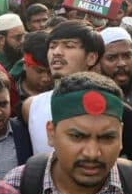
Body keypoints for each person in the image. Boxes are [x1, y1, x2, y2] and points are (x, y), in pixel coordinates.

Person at [23, 20, 103, 153]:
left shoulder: (108, 104)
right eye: (52, 46)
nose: (57, 52)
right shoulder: (31, 106)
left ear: (91, 58)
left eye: (69, 46)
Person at [9, 31, 52, 114]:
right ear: (25, 65)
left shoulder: (63, 90)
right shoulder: (9, 89)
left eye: (50, 72)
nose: (46, 78)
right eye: (39, 71)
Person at [98, 27, 132, 106]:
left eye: (127, 56)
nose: (121, 64)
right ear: (98, 61)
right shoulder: (89, 94)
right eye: (111, 58)